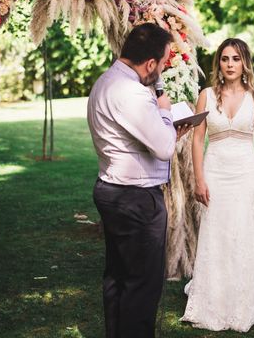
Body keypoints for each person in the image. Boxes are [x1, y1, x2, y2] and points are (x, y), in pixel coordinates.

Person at [88, 23, 190, 338]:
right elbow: (162, 147)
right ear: (149, 64)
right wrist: (165, 112)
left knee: (118, 280)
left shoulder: (105, 82)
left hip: (113, 190)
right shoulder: (131, 92)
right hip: (136, 200)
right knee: (142, 287)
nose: (160, 71)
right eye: (162, 64)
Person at [181, 38, 254, 332]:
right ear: (219, 64)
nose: (230, 64)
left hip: (246, 172)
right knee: (217, 233)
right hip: (216, 171)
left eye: (235, 58)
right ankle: (215, 300)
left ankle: (243, 301)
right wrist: (199, 179)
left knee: (244, 231)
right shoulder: (207, 95)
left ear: (244, 62)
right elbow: (197, 140)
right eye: (225, 59)